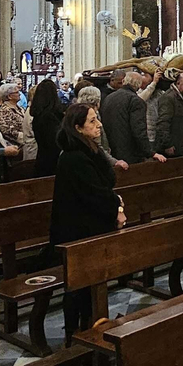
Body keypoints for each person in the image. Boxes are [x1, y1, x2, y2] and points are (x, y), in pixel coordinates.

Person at [50, 102, 125, 338]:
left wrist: (115, 203)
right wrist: (116, 206)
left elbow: (104, 185)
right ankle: (74, 334)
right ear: (78, 127)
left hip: (91, 226)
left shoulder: (90, 149)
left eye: (96, 119)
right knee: (78, 287)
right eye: (92, 121)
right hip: (77, 230)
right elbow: (94, 193)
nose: (98, 124)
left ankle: (91, 325)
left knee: (91, 284)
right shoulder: (73, 157)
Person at [102, 69, 161, 164]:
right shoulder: (135, 101)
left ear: (124, 81)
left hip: (111, 149)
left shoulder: (109, 98)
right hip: (130, 153)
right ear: (139, 85)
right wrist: (150, 152)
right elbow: (138, 130)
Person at [74, 85, 130, 171]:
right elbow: (97, 146)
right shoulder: (90, 115)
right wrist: (114, 161)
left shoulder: (77, 113)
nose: (99, 124)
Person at [152, 70, 183, 157]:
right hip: (172, 145)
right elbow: (163, 123)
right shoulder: (168, 98)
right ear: (178, 83)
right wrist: (167, 144)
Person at [29, 78, 64, 177]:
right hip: (52, 164)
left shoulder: (38, 115)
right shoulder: (49, 118)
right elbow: (55, 143)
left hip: (43, 159)